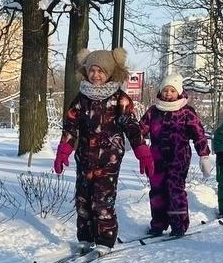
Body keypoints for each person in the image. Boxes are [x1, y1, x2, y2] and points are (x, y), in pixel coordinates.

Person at [54, 48, 152, 250]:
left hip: (109, 159)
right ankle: (86, 238)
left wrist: (142, 151)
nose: (96, 75)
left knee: (102, 201)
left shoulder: (119, 99)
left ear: (109, 73)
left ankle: (105, 240)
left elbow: (132, 127)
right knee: (83, 200)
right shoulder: (81, 98)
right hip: (85, 158)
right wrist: (63, 151)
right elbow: (71, 126)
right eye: (92, 71)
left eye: (101, 71)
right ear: (86, 72)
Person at [140, 73, 211, 237]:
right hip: (156, 157)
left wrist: (204, 155)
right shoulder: (153, 111)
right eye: (165, 90)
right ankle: (158, 224)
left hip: (178, 157)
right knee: (157, 190)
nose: (168, 94)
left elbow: (199, 134)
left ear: (178, 92)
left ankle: (178, 225)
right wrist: (135, 140)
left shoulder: (186, 112)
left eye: (172, 91)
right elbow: (141, 129)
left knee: (175, 189)